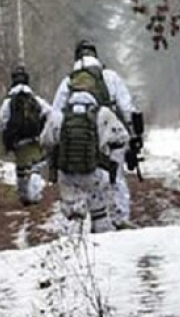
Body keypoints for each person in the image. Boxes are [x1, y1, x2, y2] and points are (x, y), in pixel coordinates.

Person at [52, 40, 143, 229]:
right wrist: (134, 135)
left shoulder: (68, 81)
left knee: (84, 173)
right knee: (115, 175)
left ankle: (78, 222)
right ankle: (119, 217)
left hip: (82, 133)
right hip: (109, 129)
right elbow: (127, 108)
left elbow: (56, 113)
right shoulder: (110, 77)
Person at [41, 75, 130, 234]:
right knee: (99, 214)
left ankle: (73, 246)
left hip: (67, 174)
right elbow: (122, 137)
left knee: (73, 215)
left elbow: (46, 141)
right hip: (95, 173)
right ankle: (101, 247)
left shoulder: (58, 116)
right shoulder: (103, 114)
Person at [0, 65, 52, 205]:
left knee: (21, 169)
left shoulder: (8, 101)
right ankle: (35, 195)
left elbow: (2, 121)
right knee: (35, 167)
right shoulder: (35, 99)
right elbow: (50, 113)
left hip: (18, 141)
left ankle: (24, 196)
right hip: (34, 139)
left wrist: (7, 138)